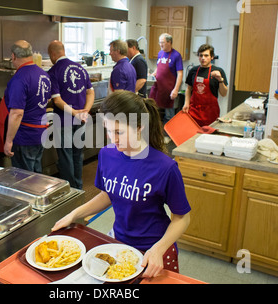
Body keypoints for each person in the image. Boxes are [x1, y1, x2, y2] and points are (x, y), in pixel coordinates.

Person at [52, 90, 191, 278]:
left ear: (139, 126)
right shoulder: (107, 154)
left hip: (155, 250)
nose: (112, 138)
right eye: (108, 131)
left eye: (119, 132)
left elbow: (182, 218)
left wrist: (159, 249)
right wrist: (74, 214)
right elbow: (108, 194)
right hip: (118, 243)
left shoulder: (165, 167)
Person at [47, 40, 95, 189]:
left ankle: (70, 191)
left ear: (53, 54)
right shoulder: (80, 68)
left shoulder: (54, 71)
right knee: (77, 156)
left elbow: (57, 100)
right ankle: (78, 187)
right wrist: (85, 111)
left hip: (63, 121)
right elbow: (90, 92)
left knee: (66, 158)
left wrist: (75, 113)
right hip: (80, 120)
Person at [1, 40, 52, 172]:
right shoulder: (43, 74)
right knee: (36, 175)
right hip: (40, 133)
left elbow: (17, 113)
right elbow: (47, 98)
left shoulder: (19, 79)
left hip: (25, 137)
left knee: (25, 179)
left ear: (13, 56)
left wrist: (8, 141)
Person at [183, 44, 228, 127]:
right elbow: (189, 89)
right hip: (194, 111)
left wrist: (220, 79)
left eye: (206, 55)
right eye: (201, 55)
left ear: (212, 57)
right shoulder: (193, 70)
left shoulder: (218, 71)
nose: (203, 58)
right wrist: (186, 103)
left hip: (210, 113)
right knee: (192, 136)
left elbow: (224, 93)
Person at [149, 33, 183, 128]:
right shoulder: (160, 53)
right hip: (157, 88)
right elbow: (158, 67)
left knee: (169, 116)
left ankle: (168, 136)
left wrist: (176, 90)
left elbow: (180, 73)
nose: (160, 45)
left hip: (169, 90)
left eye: (162, 42)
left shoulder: (176, 55)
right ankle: (156, 134)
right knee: (153, 111)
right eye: (160, 42)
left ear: (169, 42)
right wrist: (152, 75)